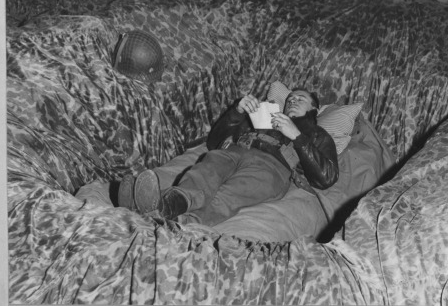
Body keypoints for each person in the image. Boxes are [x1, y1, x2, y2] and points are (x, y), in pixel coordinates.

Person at [119, 88, 339, 225]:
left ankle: (176, 223)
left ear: (315, 109)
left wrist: (298, 136)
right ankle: (164, 206)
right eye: (290, 98)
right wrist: (237, 112)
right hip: (235, 151)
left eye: (300, 98)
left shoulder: (318, 134)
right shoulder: (264, 116)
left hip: (273, 168)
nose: (292, 100)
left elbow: (327, 177)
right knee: (203, 173)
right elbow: (214, 141)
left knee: (229, 196)